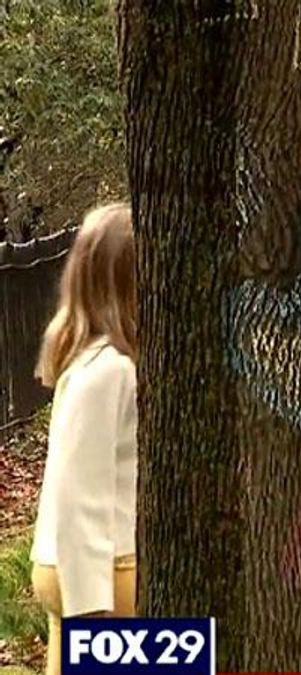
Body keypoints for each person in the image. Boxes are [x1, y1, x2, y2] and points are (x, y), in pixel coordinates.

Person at [29, 203, 137, 675]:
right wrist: (91, 616)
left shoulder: (96, 364)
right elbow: (80, 496)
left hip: (85, 568)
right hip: (108, 571)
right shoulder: (108, 370)